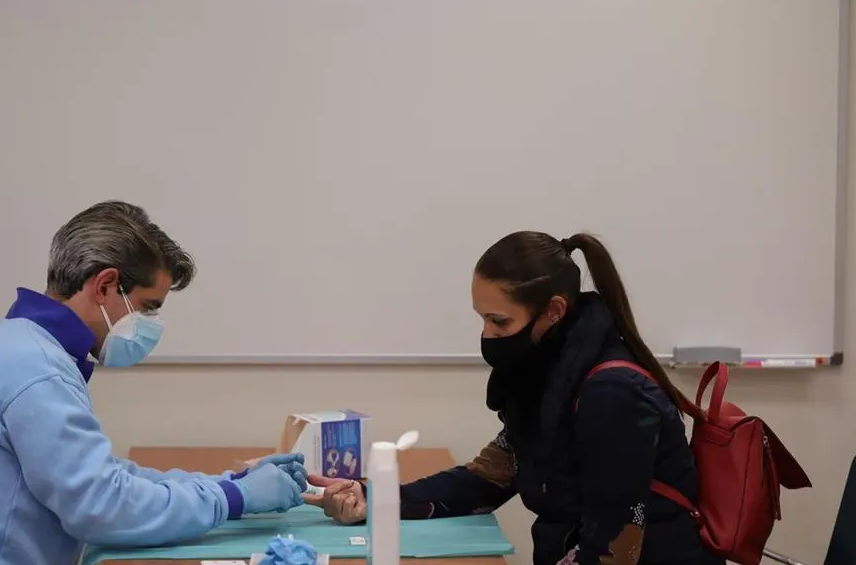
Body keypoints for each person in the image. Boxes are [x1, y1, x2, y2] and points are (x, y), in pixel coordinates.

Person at [0, 201, 308, 565]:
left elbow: (101, 476)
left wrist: (224, 482)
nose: (151, 326)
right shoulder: (37, 370)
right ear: (105, 284)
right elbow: (103, 507)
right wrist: (235, 500)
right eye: (147, 307)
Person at [305, 232, 723, 565]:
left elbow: (613, 549)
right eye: (482, 318)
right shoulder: (549, 371)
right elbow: (490, 477)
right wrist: (373, 498)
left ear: (554, 311)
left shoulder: (613, 395)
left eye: (499, 321)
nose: (487, 335)